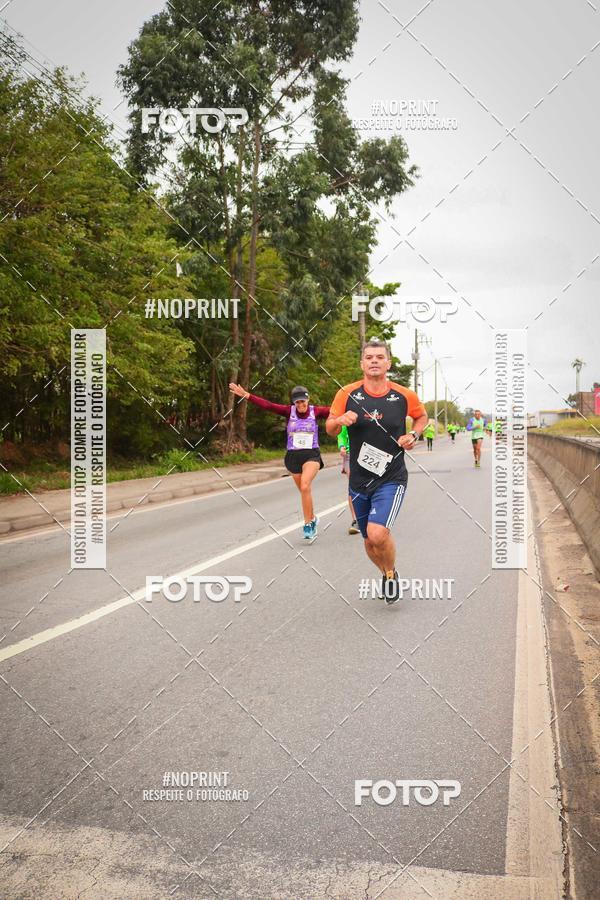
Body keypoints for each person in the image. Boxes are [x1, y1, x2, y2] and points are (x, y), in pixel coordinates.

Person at [326, 338, 428, 605]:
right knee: (369, 543)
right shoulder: (347, 394)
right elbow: (329, 428)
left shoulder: (404, 395)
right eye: (369, 357)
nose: (374, 361)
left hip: (391, 477)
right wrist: (339, 421)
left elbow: (422, 416)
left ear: (388, 363)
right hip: (359, 479)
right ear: (362, 363)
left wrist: (414, 434)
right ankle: (386, 573)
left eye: (379, 357)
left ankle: (391, 574)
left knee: (377, 534)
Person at [229, 383, 329, 539]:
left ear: (308, 400)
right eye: (297, 402)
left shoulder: (315, 411)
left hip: (311, 455)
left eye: (303, 401)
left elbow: (336, 410)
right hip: (293, 457)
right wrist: (247, 395)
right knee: (304, 491)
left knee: (305, 485)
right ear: (293, 403)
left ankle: (308, 525)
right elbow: (268, 406)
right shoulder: (289, 411)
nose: (301, 405)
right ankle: (313, 518)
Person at [338, 425, 359, 534]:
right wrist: (341, 446)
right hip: (350, 455)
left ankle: (372, 515)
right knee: (353, 486)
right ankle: (356, 520)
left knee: (370, 485)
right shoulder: (349, 415)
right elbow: (341, 434)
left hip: (367, 452)